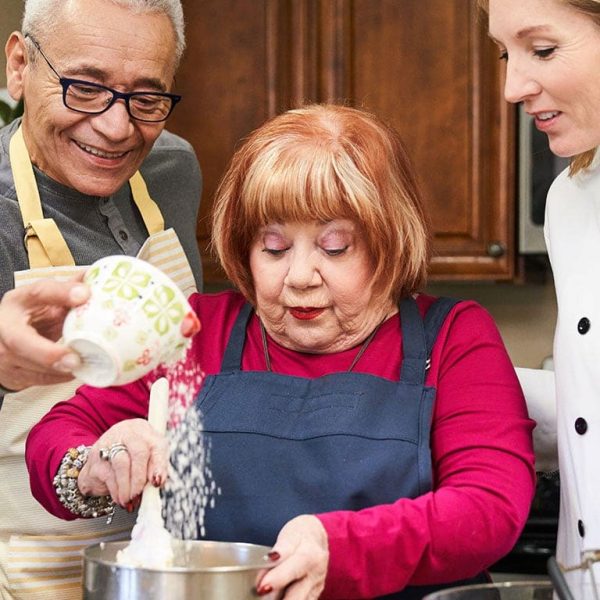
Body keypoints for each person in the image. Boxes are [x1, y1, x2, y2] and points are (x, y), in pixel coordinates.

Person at [26, 104, 536, 599]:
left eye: (335, 247)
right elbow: (55, 435)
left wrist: (340, 548)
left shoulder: (451, 338)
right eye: (273, 247)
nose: (299, 278)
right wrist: (94, 463)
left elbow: (488, 508)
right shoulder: (198, 331)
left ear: (390, 242)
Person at [0, 0, 202, 597]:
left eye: (147, 98)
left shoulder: (173, 169)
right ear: (19, 65)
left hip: (165, 559)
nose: (117, 129)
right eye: (85, 88)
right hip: (24, 572)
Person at [480, 0, 600, 597]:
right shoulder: (571, 199)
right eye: (506, 53)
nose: (511, 87)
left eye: (543, 50)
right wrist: (469, 389)